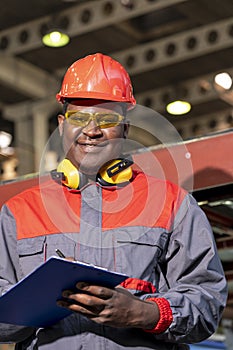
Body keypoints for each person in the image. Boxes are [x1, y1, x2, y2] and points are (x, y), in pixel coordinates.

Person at [0, 53, 227, 350]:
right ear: (61, 125)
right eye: (78, 118)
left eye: (106, 119)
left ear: (125, 129)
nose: (91, 131)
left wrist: (143, 313)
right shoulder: (18, 213)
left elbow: (207, 302)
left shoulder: (172, 204)